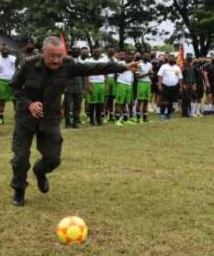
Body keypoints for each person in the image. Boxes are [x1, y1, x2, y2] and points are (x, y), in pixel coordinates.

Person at [9, 36, 136, 206]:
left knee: (53, 159)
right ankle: (19, 190)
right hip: (26, 117)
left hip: (50, 118)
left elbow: (93, 67)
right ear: (43, 53)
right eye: (52, 56)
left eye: (59, 56)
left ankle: (40, 171)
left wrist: (122, 67)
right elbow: (14, 87)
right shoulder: (29, 64)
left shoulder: (68, 65)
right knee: (20, 158)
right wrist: (29, 104)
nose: (56, 60)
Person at [86, 47, 108, 126]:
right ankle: (92, 120)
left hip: (101, 84)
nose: (97, 53)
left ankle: (99, 119)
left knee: (100, 103)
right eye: (95, 52)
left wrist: (106, 85)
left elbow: (106, 73)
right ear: (92, 52)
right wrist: (88, 84)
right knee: (92, 104)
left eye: (98, 52)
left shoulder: (103, 61)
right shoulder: (88, 61)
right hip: (93, 83)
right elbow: (86, 74)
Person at [0, 44, 18, 126]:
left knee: (15, 100)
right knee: (1, 101)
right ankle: (0, 118)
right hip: (2, 82)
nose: (4, 50)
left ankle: (17, 118)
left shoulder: (14, 59)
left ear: (9, 50)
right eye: (3, 49)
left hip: (13, 82)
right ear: (0, 50)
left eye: (6, 48)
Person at [157, 55, 182, 120]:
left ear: (175, 60)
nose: (172, 60)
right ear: (168, 60)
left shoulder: (177, 67)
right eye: (170, 59)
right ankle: (162, 114)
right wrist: (159, 85)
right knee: (164, 101)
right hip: (165, 86)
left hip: (174, 87)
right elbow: (160, 76)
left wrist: (180, 87)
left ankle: (169, 114)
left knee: (171, 101)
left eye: (173, 59)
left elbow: (180, 78)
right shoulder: (164, 66)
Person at [135, 52, 153, 122]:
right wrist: (147, 73)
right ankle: (138, 118)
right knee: (140, 101)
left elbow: (151, 76)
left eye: (148, 56)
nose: (146, 57)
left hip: (148, 83)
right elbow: (137, 77)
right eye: (145, 56)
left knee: (146, 101)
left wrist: (151, 74)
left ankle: (145, 118)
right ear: (142, 57)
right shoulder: (139, 65)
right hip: (141, 83)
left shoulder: (150, 65)